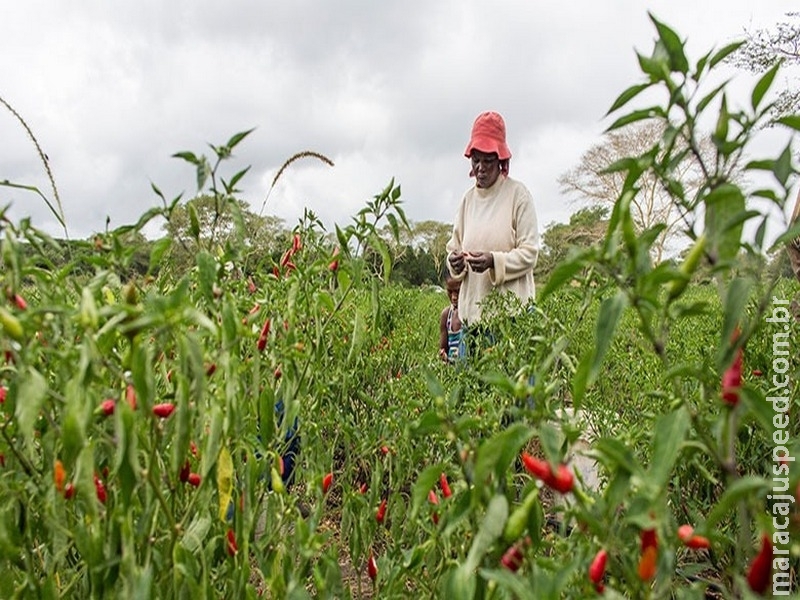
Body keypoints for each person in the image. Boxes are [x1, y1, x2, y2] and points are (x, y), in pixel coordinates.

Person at [445, 111, 540, 351]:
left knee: (511, 389)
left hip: (510, 320)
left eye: (488, 161)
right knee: (470, 386)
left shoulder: (518, 195)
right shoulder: (467, 200)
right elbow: (453, 248)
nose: (480, 168)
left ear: (500, 160)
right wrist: (455, 262)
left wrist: (493, 261)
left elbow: (530, 253)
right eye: (476, 160)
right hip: (472, 323)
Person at [439, 274, 464, 363]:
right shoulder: (446, 315)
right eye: (450, 291)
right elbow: (443, 350)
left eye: (458, 291)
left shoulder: (471, 315)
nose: (454, 297)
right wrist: (443, 356)